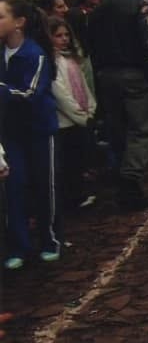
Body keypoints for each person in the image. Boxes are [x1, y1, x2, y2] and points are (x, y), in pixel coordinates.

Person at [85, 0, 148, 210]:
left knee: (118, 128)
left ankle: (122, 176)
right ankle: (130, 180)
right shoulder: (137, 7)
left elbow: (89, 48)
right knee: (142, 129)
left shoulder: (95, 12)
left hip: (105, 76)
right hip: (134, 75)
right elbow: (145, 45)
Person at [0, 0, 61, 269]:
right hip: (10, 132)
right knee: (13, 186)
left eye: (1, 17)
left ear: (19, 23)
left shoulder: (35, 54)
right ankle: (19, 246)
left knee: (43, 185)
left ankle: (50, 240)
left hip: (38, 130)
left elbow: (30, 94)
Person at [49, 17, 97, 210]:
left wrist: (91, 107)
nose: (64, 39)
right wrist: (80, 115)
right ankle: (72, 198)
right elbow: (60, 93)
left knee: (77, 159)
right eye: (58, 35)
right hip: (65, 121)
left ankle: (77, 194)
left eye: (66, 34)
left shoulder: (69, 59)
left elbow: (83, 86)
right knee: (68, 162)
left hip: (80, 117)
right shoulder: (52, 62)